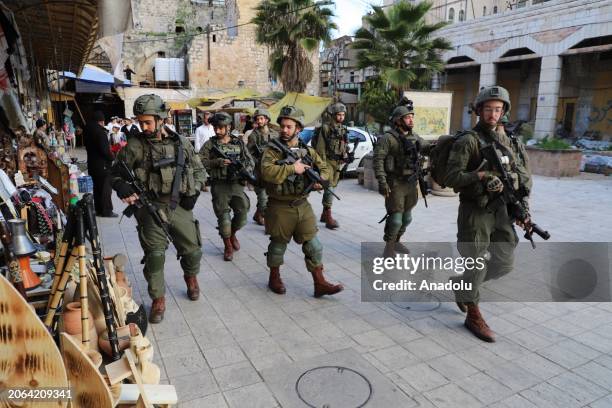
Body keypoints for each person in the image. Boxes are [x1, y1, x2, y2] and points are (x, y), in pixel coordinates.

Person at [446, 86, 532, 343]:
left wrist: (523, 209)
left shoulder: (511, 141)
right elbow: (452, 177)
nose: (493, 114)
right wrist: (481, 176)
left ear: (503, 111)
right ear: (479, 111)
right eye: (488, 109)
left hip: (503, 209)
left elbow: (524, 177)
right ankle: (473, 313)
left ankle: (462, 284)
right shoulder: (468, 141)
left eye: (498, 109)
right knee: (476, 261)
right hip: (476, 210)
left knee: (504, 262)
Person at [111, 94, 207, 323]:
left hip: (180, 206)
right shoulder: (135, 146)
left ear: (161, 119)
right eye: (140, 122)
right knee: (155, 256)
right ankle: (158, 299)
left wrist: (193, 192)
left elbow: (200, 171)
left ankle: (191, 278)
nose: (143, 127)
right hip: (150, 207)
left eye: (147, 122)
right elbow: (114, 173)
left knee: (193, 250)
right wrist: (121, 186)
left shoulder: (181, 143)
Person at [260, 105, 343, 297]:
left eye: (289, 126)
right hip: (280, 206)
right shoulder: (272, 151)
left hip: (302, 204)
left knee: (314, 245)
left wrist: (319, 182)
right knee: (278, 246)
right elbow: (267, 172)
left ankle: (319, 283)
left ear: (298, 129)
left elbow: (325, 169)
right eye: (282, 126)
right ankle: (274, 277)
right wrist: (291, 169)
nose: (284, 130)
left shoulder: (307, 150)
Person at [373, 101, 430, 257]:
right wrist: (382, 182)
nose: (411, 120)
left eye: (412, 117)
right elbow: (378, 160)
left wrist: (445, 143)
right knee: (396, 219)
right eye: (407, 118)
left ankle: (397, 241)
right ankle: (389, 248)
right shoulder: (388, 138)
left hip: (411, 182)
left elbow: (427, 147)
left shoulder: (414, 137)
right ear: (398, 120)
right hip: (395, 183)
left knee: (407, 218)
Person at [199, 112, 253, 261]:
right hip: (219, 186)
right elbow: (199, 160)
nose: (217, 131)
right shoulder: (210, 144)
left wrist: (244, 170)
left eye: (221, 128)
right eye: (216, 127)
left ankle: (232, 234)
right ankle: (227, 245)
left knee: (242, 216)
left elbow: (250, 161)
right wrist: (216, 162)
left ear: (228, 127)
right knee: (224, 219)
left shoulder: (238, 142)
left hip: (237, 185)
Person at [311, 102, 350, 229]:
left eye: (343, 115)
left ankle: (324, 213)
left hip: (337, 163)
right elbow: (320, 148)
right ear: (333, 115)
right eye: (339, 115)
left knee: (333, 186)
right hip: (326, 162)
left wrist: (346, 155)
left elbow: (343, 145)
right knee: (329, 188)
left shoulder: (343, 129)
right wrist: (321, 166)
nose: (341, 117)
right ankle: (328, 215)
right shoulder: (326, 128)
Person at [247, 108, 277, 225]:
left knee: (269, 196)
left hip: (271, 170)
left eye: (261, 118)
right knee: (263, 197)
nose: (259, 121)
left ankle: (258, 214)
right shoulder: (253, 136)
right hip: (258, 171)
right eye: (257, 119)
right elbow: (248, 154)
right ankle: (267, 222)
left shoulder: (273, 134)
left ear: (267, 119)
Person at [84, 111, 117, 218]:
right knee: (105, 188)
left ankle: (98, 209)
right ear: (101, 121)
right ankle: (107, 211)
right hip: (102, 165)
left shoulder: (87, 130)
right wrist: (112, 157)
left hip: (92, 164)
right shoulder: (100, 132)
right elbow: (105, 151)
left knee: (97, 188)